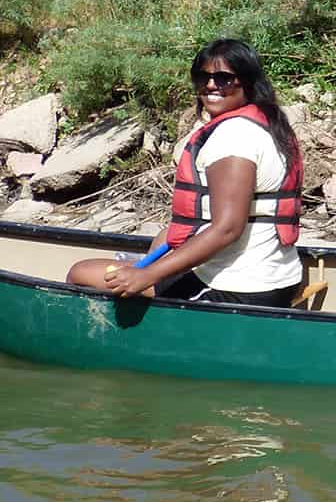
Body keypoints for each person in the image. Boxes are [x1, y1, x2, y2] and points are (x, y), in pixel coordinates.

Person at [67, 39, 304, 306]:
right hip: (281, 278)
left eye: (224, 78)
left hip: (237, 286)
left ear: (247, 82)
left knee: (82, 272)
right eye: (203, 77)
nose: (211, 85)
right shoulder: (266, 123)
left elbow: (227, 228)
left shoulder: (234, 136)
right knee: (159, 242)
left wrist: (146, 275)